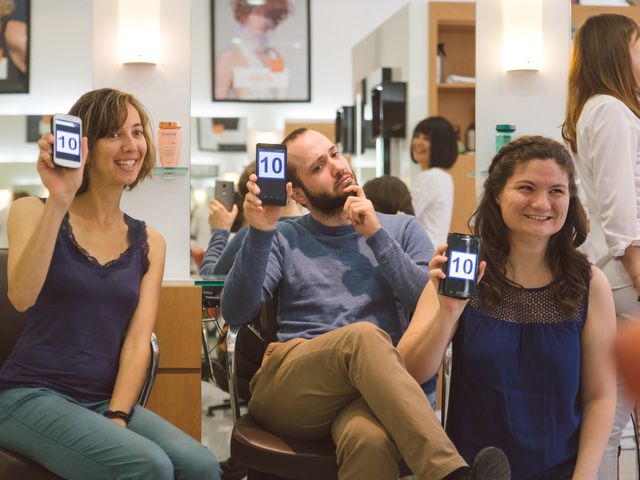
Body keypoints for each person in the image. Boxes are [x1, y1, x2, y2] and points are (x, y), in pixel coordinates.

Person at [221, 127, 511, 480]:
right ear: (296, 192)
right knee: (364, 337)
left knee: (370, 442)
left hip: (369, 390)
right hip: (293, 386)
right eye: (318, 167)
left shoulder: (402, 229)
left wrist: (376, 235)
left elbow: (429, 306)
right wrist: (262, 229)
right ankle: (451, 474)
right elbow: (235, 312)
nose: (337, 166)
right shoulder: (283, 236)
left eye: (335, 154)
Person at [0, 88, 220, 479]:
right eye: (114, 134)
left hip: (102, 401)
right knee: (148, 466)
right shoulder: (31, 210)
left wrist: (117, 415)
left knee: (202, 465)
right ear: (85, 145)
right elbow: (21, 296)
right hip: (28, 395)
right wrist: (59, 200)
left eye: (137, 132)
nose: (131, 145)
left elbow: (138, 342)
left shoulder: (150, 241)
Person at [398, 136, 616, 479]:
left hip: (560, 471)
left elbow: (600, 396)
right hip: (474, 469)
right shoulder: (464, 270)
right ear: (498, 194)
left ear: (570, 199)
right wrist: (448, 313)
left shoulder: (590, 284)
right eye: (526, 187)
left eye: (557, 191)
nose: (542, 203)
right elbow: (409, 372)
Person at [561, 13, 640, 479]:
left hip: (619, 274)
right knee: (612, 413)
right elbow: (619, 207)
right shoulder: (609, 110)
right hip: (626, 275)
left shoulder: (604, 109)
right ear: (616, 50)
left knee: (613, 413)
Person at [215, 0, 291, 100]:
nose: (263, 21)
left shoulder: (274, 56)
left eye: (268, 15)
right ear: (243, 15)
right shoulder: (229, 58)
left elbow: (279, 89)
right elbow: (219, 103)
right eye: (257, 13)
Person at [409, 116, 458, 247]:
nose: (418, 142)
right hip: (434, 253)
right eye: (417, 136)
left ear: (440, 145)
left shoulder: (429, 177)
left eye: (427, 139)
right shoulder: (445, 176)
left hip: (422, 256)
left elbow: (406, 216)